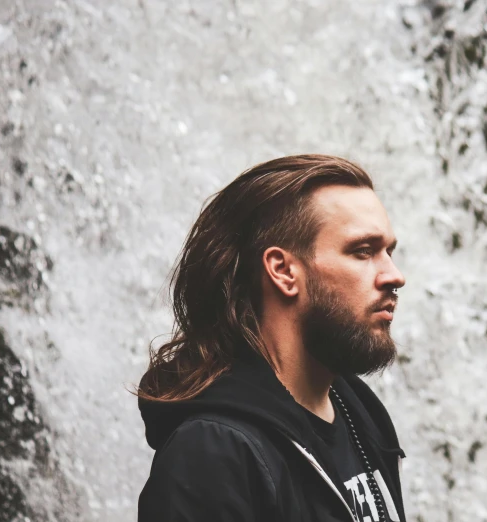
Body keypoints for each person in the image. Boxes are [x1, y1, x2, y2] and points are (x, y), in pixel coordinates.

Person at [137, 154, 407, 522]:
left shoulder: (359, 411)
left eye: (389, 252)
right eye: (363, 252)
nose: (394, 276)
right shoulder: (212, 453)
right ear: (283, 271)